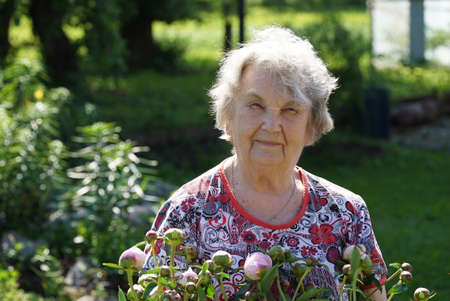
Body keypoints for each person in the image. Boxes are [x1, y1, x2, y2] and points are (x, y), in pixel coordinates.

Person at [142, 26, 387, 300]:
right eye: (255, 105)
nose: (271, 126)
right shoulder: (187, 213)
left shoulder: (346, 213)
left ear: (312, 125)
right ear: (228, 116)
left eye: (290, 109)